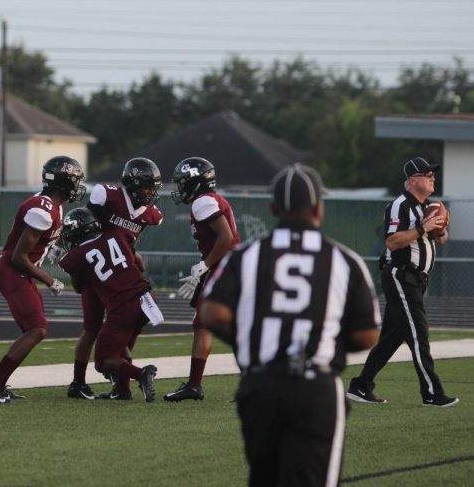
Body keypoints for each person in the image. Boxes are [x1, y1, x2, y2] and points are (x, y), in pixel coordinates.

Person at [200, 163, 381, 487]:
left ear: (272, 208)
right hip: (315, 387)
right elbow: (367, 334)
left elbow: (212, 314)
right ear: (318, 209)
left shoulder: (246, 255)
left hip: (261, 384)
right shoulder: (343, 260)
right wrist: (328, 343)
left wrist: (248, 342)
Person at [347, 157, 457, 407]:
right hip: (401, 274)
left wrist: (440, 230)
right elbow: (392, 242)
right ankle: (432, 393)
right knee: (419, 333)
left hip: (417, 279)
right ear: (411, 180)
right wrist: (421, 228)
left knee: (391, 338)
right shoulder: (400, 206)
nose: (432, 177)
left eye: (432, 174)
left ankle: (361, 386)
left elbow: (438, 239)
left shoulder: (426, 206)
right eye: (426, 174)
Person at [0, 155, 86, 404]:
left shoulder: (53, 205)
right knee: (36, 330)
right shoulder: (43, 210)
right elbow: (18, 257)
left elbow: (37, 244)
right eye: (75, 181)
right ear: (64, 182)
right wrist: (49, 279)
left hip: (21, 271)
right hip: (15, 271)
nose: (78, 187)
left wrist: (54, 248)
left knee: (34, 329)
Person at [66, 157, 164, 400]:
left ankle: (122, 386)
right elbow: (85, 224)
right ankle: (78, 382)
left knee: (120, 331)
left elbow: (132, 239)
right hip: (96, 271)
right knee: (91, 328)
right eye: (146, 187)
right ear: (131, 184)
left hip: (119, 272)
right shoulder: (106, 195)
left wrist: (132, 254)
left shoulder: (150, 214)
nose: (150, 193)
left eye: (153, 188)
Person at [164, 156, 240, 403]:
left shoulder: (202, 202)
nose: (180, 187)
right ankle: (195, 385)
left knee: (205, 323)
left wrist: (205, 265)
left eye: (184, 182)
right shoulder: (212, 200)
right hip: (228, 267)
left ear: (195, 182)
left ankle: (196, 385)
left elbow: (226, 237)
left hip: (223, 267)